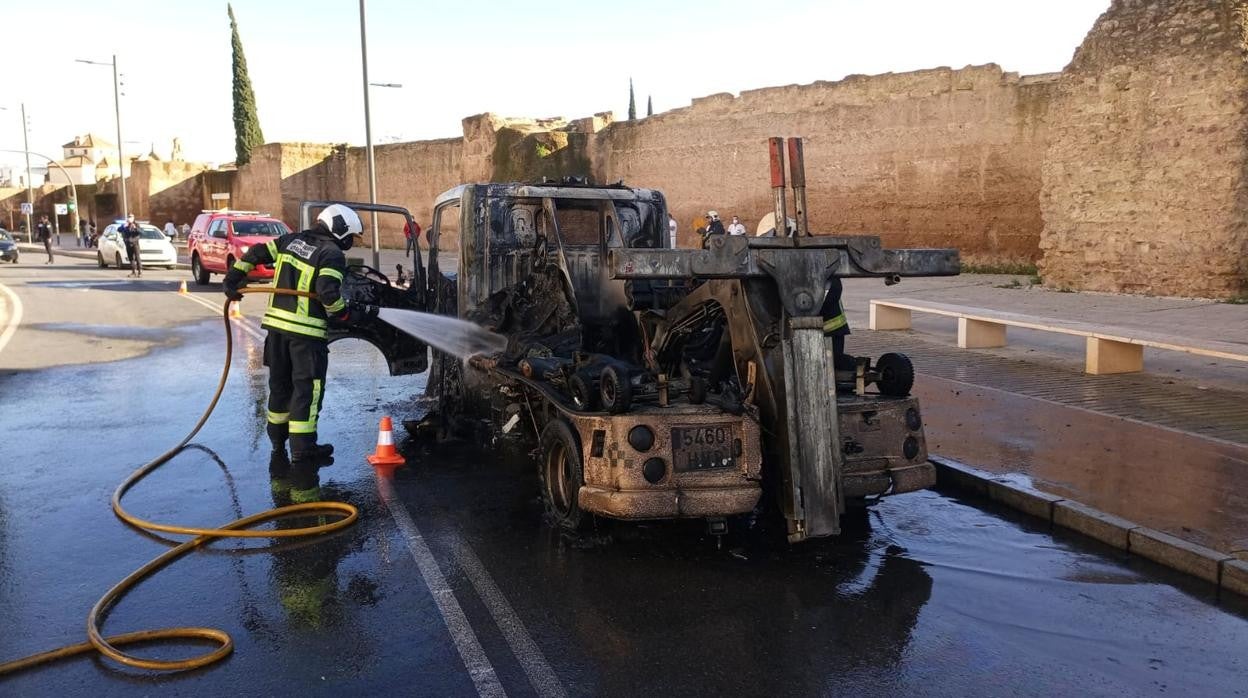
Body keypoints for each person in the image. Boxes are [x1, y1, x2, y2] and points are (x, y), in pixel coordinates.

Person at [223, 204, 364, 504]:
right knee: (307, 391)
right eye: (351, 236)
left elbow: (256, 253)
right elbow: (328, 293)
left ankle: (278, 443)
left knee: (280, 387)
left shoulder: (290, 241)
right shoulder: (332, 254)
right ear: (339, 230)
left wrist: (234, 278)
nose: (350, 242)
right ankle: (303, 449)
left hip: (276, 333)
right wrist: (344, 314)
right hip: (305, 335)